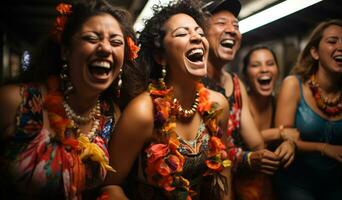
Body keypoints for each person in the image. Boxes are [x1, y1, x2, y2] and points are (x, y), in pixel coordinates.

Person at [0, 0, 142, 199]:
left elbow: (110, 185)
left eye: (116, 42)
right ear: (66, 51)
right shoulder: (13, 102)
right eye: (92, 38)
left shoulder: (111, 117)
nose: (106, 48)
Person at [102, 1, 232, 199]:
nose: (197, 37)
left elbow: (223, 169)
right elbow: (110, 184)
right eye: (182, 33)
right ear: (160, 56)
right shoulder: (143, 113)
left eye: (200, 32)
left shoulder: (218, 105)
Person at [202, 1, 298, 199]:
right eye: (221, 23)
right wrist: (249, 159)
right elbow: (210, 151)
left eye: (236, 26)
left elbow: (256, 144)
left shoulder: (235, 83)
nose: (231, 30)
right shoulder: (192, 83)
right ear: (200, 34)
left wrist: (287, 143)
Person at [274, 19, 342, 200]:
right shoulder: (293, 85)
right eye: (332, 41)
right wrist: (324, 148)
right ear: (315, 52)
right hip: (297, 186)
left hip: (339, 186)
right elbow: (284, 138)